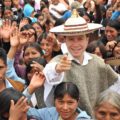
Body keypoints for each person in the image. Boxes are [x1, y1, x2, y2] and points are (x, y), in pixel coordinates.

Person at [43, 9, 120, 117]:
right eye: (71, 39)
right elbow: (49, 70)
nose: (76, 44)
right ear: (65, 40)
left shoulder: (98, 62)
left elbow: (116, 82)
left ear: (87, 39)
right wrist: (57, 68)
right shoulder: (60, 60)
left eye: (80, 39)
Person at [0, 82, 91, 120]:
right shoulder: (49, 113)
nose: (65, 107)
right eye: (60, 102)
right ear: (54, 100)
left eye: (70, 102)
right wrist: (31, 88)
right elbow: (23, 108)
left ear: (77, 101)